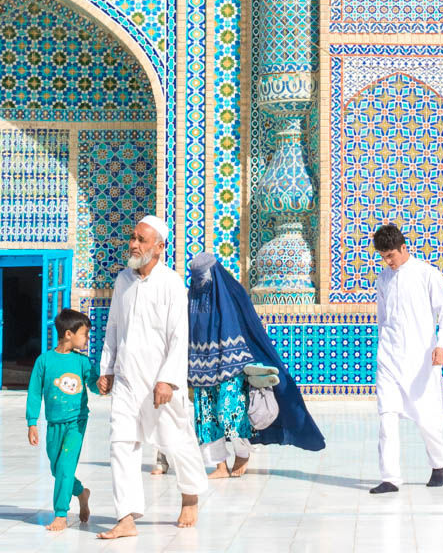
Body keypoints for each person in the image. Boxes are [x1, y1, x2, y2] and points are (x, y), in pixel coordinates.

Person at [96, 215, 208, 539]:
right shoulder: (122, 282)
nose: (134, 244)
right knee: (121, 444)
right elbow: (113, 327)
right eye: (133, 237)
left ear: (159, 247)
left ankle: (190, 494)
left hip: (160, 381)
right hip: (128, 379)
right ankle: (127, 516)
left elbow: (178, 335)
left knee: (176, 441)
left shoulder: (171, 283)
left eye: (142, 240)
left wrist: (168, 379)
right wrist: (107, 368)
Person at [187, 251, 324, 478]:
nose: (199, 281)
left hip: (232, 365)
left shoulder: (232, 292)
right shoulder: (194, 296)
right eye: (195, 276)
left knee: (230, 412)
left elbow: (249, 326)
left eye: (202, 275)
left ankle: (242, 454)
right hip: (201, 367)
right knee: (206, 417)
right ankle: (220, 465)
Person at [369, 223, 443, 494]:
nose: (388, 262)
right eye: (383, 257)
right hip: (389, 359)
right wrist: (383, 346)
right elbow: (383, 318)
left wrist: (442, 345)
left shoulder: (427, 274)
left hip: (421, 361)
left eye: (390, 255)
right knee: (387, 418)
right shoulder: (383, 279)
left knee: (428, 422)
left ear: (403, 248)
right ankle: (390, 477)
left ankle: (438, 464)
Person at [25, 307, 98, 533]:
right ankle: (81, 492)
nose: (87, 339)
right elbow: (35, 393)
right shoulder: (44, 361)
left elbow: (94, 384)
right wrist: (32, 422)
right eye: (84, 334)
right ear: (69, 334)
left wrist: (103, 385)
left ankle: (61, 513)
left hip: (76, 422)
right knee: (57, 470)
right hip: (54, 423)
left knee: (66, 466)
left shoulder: (83, 362)